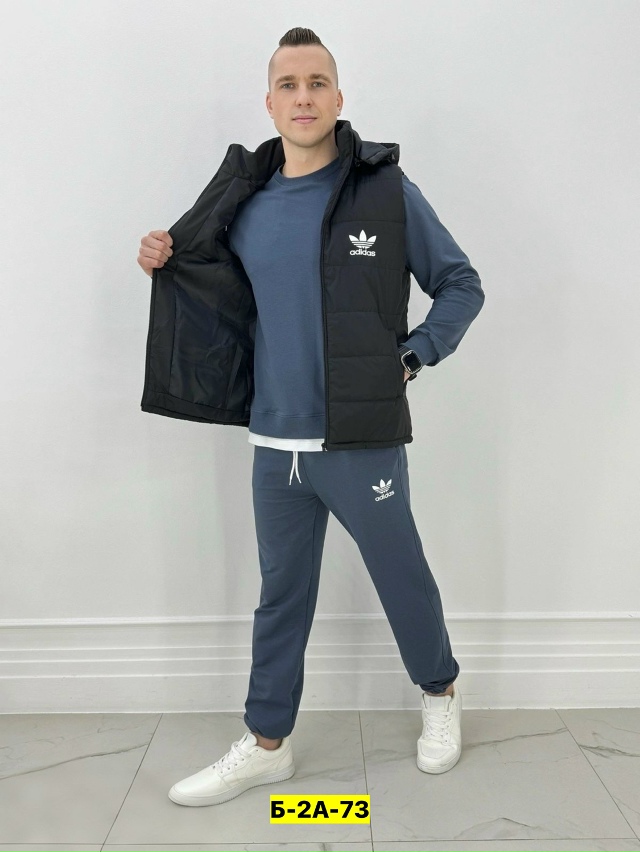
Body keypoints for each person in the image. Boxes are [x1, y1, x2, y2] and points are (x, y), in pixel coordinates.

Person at [137, 27, 485, 807]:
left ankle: (439, 692)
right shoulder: (244, 201)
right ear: (269, 103)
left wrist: (414, 354)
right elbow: (212, 286)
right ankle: (268, 745)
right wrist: (163, 255)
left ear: (338, 98)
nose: (303, 97)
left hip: (360, 438)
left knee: (400, 574)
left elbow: (460, 283)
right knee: (280, 598)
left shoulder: (384, 192)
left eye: (317, 82)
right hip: (274, 440)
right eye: (289, 85)